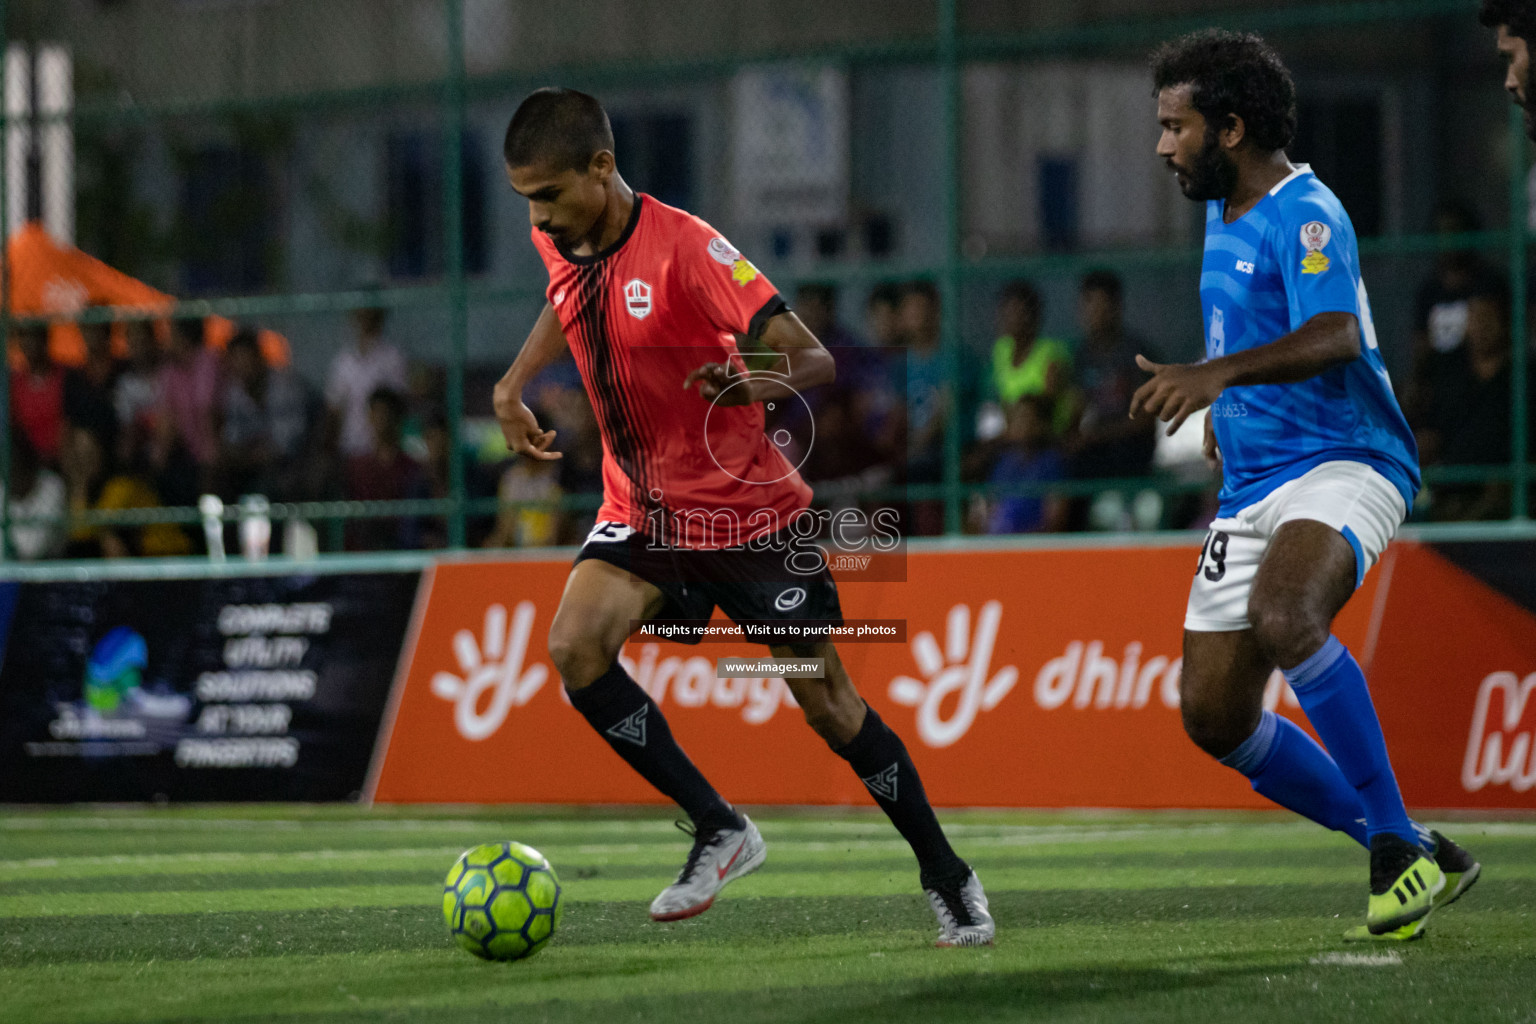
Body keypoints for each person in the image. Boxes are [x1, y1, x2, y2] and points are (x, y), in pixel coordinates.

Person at [493, 87, 991, 946]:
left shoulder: (688, 249)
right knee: (575, 647)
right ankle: (720, 826)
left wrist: (749, 383)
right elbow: (564, 296)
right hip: (642, 508)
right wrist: (512, 384)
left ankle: (948, 876)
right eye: (526, 200)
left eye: (547, 195)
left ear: (601, 169)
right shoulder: (560, 235)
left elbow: (813, 357)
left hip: (746, 516)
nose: (536, 217)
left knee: (831, 706)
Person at [1138, 30, 1478, 942]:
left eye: (1177, 127)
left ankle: (1397, 858)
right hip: (1252, 482)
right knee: (1212, 716)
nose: (1164, 146)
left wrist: (1219, 378)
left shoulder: (1308, 210)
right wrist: (1223, 412)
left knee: (1288, 615)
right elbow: (1241, 327)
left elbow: (1333, 334)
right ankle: (1397, 836)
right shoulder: (1220, 207)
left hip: (1348, 458)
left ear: (1233, 128)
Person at [1065, 271, 1157, 479]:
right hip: (1095, 451)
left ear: (1117, 306)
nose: (1095, 312)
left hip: (1132, 450)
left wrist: (1097, 435)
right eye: (1089, 304)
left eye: (1102, 304)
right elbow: (1076, 406)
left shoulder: (1137, 354)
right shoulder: (1082, 355)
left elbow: (1144, 421)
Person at [217, 329, 315, 498]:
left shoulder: (284, 386)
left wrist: (254, 453)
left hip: (297, 459)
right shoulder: (234, 392)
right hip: (253, 464)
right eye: (235, 359)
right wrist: (242, 454)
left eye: (245, 358)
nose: (241, 366)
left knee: (280, 483)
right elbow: (232, 440)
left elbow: (288, 443)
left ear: (258, 358)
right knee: (220, 477)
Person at [987, 280, 1073, 436]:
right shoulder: (1001, 349)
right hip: (1013, 436)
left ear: (1033, 316)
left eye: (1016, 311)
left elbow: (1047, 404)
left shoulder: (1052, 352)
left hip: (1045, 437)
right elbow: (1003, 401)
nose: (1009, 318)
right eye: (1005, 311)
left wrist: (1023, 411)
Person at [344, 387, 426, 551]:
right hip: (362, 555)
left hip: (400, 551)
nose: (382, 419)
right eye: (376, 412)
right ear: (369, 417)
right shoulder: (355, 467)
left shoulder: (413, 468)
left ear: (398, 418)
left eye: (387, 413)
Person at [326, 306, 408, 459]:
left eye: (370, 314)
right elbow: (334, 409)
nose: (365, 320)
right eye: (361, 315)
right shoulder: (343, 361)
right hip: (350, 447)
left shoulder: (392, 357)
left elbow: (399, 405)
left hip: (381, 453)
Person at [10, 322, 65, 463]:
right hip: (26, 463)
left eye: (32, 336)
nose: (28, 343)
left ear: (44, 340)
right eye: (23, 337)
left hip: (59, 462)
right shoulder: (14, 382)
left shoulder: (65, 377)